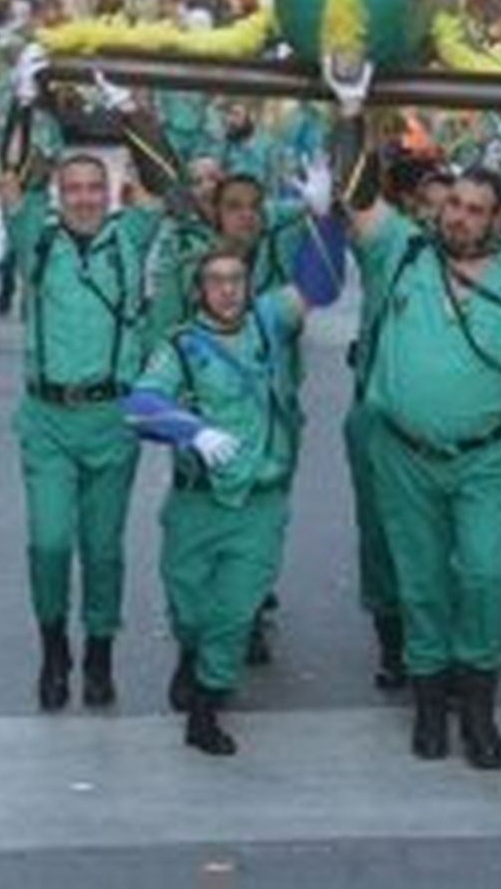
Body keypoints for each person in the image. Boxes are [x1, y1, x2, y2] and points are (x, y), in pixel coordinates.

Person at [329, 63, 501, 771]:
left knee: (482, 575)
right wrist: (351, 108)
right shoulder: (401, 252)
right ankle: (428, 705)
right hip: (403, 453)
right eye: (454, 205)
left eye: (477, 209)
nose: (460, 217)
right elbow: (356, 196)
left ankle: (477, 705)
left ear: (497, 219)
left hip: (484, 458)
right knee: (420, 581)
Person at [124, 192, 344, 755]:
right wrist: (189, 429)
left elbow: (318, 288)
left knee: (234, 611)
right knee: (190, 608)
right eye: (215, 280)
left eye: (236, 279)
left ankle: (206, 706)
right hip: (196, 503)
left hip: (259, 500)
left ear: (249, 284)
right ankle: (193, 657)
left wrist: (324, 217)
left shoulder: (268, 323)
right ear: (199, 289)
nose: (227, 289)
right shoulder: (180, 345)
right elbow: (141, 404)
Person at [0, 51, 182, 713]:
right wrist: (22, 103)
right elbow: (10, 178)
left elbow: (165, 184)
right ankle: (54, 649)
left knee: (102, 548)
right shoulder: (36, 240)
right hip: (47, 421)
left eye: (92, 189)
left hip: (111, 420)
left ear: (107, 195)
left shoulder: (130, 237)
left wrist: (130, 110)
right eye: (72, 189)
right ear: (60, 195)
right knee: (49, 541)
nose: (82, 198)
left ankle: (99, 651)